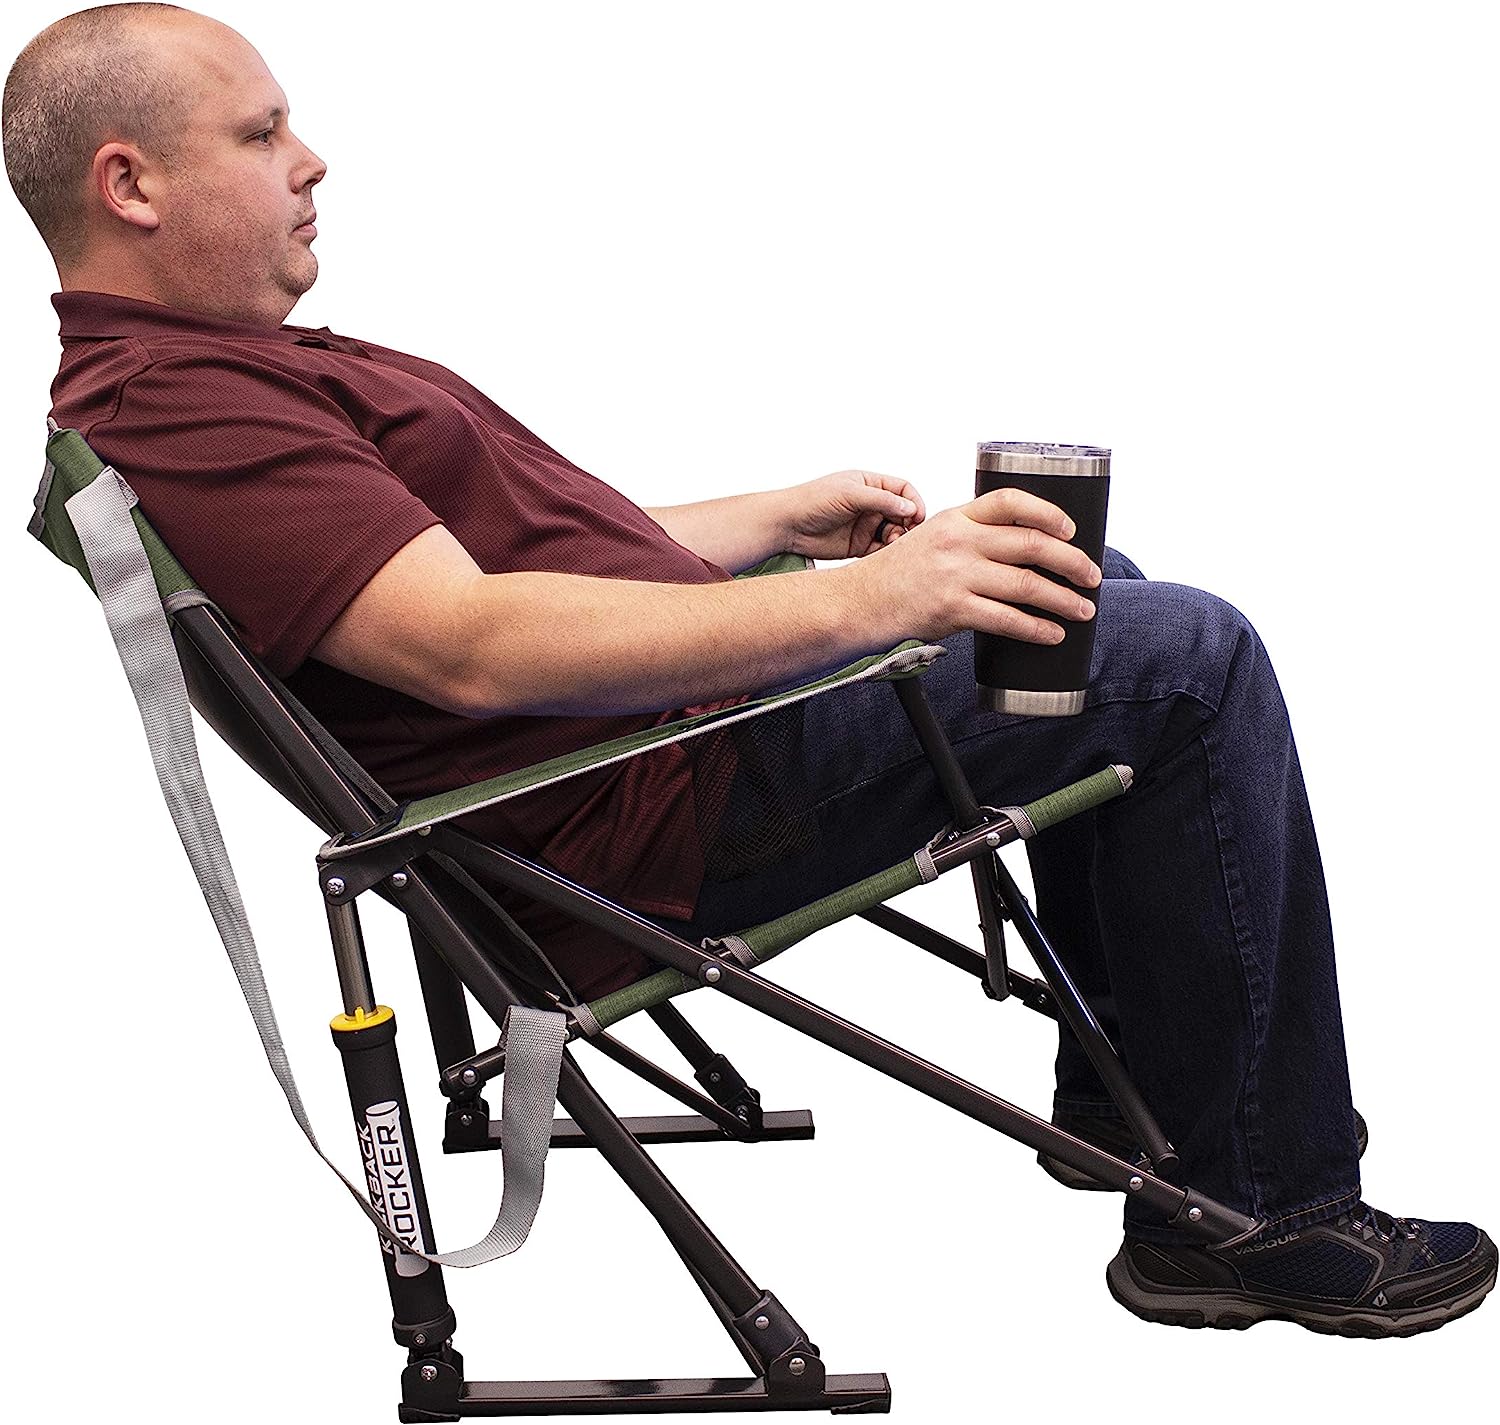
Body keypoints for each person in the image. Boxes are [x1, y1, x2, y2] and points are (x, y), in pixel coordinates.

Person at [5, 2, 1493, 1339]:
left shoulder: (224, 372)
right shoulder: (185, 407)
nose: (312, 159)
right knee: (1185, 660)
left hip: (653, 743)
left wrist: (774, 519)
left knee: (1087, 600)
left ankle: (1135, 1095)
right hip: (644, 806)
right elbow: (469, 643)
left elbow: (522, 565)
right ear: (130, 185)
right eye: (261, 134)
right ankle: (1259, 1210)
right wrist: (867, 603)